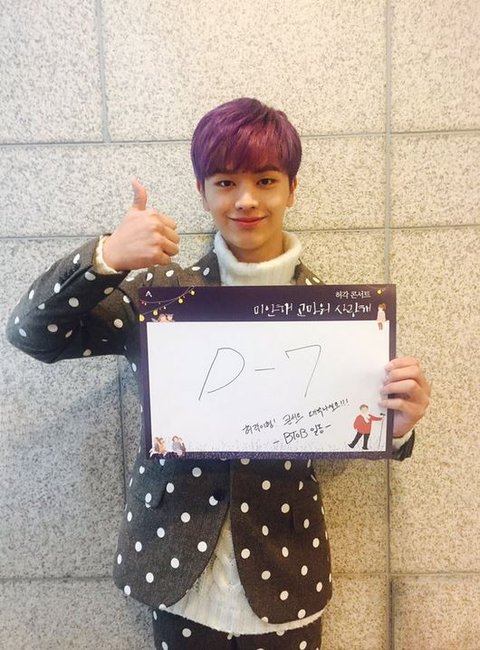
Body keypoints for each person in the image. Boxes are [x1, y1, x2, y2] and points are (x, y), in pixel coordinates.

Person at [6, 98, 430, 649]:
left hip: (285, 569)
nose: (246, 199)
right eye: (226, 182)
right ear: (202, 191)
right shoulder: (162, 298)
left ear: (292, 189)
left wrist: (397, 427)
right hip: (177, 568)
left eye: (266, 180)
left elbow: (355, 424)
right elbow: (32, 334)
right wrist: (106, 257)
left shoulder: (337, 315)